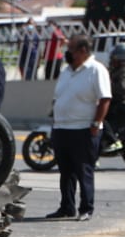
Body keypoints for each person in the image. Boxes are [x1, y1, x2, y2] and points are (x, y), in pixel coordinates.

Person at [44, 35, 110, 222]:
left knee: (84, 171)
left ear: (82, 51)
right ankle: (67, 206)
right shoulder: (66, 71)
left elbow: (105, 99)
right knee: (66, 172)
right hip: (62, 128)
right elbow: (58, 97)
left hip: (83, 129)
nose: (67, 53)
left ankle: (86, 208)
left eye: (71, 49)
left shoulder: (96, 70)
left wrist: (96, 124)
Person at [105, 43, 125, 148]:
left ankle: (113, 141)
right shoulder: (118, 68)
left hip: (121, 103)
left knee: (99, 117)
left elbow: (121, 88)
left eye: (114, 57)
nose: (112, 59)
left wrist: (107, 84)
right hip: (114, 100)